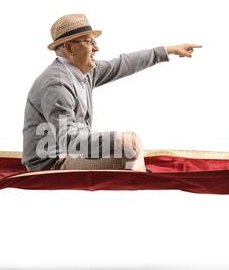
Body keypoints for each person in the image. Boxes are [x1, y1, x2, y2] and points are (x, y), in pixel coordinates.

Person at [22, 14, 201, 172]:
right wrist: (116, 140)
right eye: (89, 41)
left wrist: (167, 51)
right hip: (53, 164)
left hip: (68, 153)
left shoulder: (82, 72)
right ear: (69, 48)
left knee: (131, 143)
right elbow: (69, 142)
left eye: (95, 41)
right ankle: (141, 183)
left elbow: (123, 64)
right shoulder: (56, 85)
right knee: (128, 152)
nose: (96, 48)